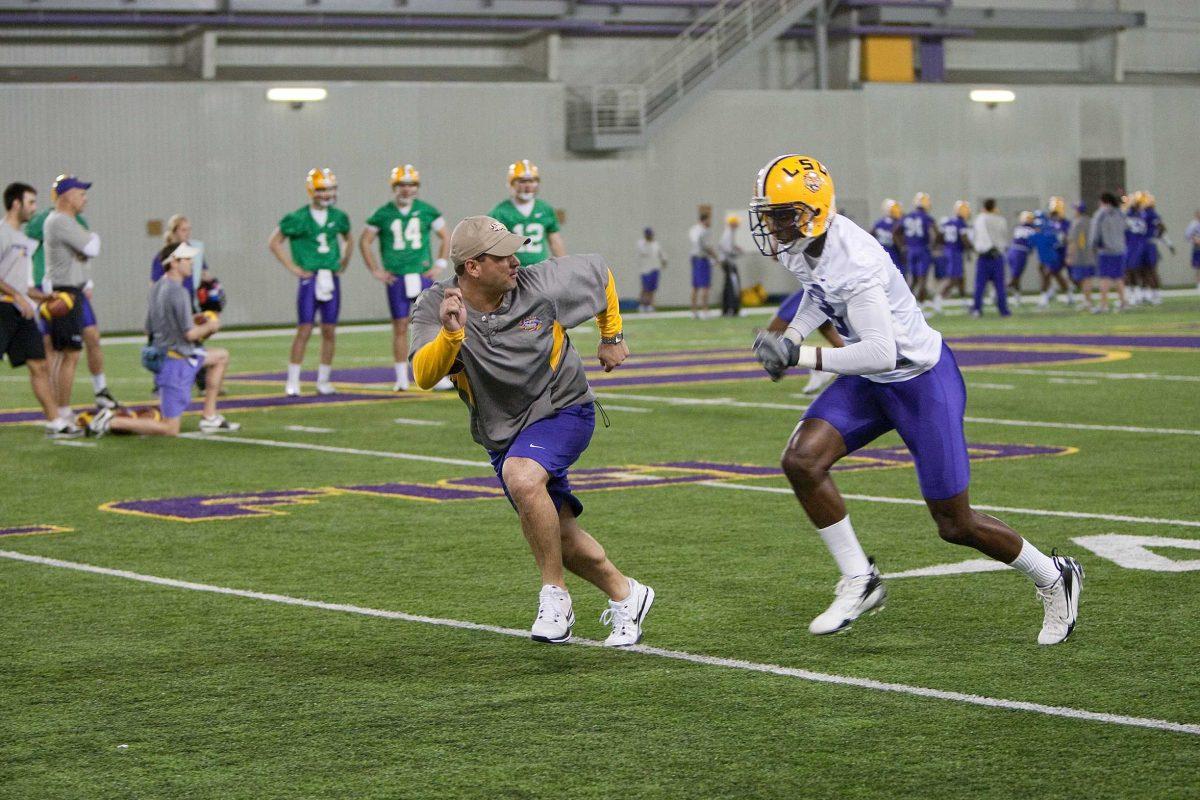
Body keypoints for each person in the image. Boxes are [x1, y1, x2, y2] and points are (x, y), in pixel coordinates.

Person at [748, 155, 1080, 644]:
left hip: (920, 381)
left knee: (954, 523)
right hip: (875, 380)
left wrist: (798, 355)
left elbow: (881, 353)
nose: (771, 224)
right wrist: (793, 332)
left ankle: (1054, 575)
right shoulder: (802, 243)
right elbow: (817, 294)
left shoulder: (854, 258)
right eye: (769, 213)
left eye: (780, 214)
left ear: (811, 211)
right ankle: (860, 579)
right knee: (801, 460)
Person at [408, 216, 653, 647]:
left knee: (522, 477)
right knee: (556, 534)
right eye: (503, 256)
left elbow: (600, 272)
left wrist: (612, 335)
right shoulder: (436, 305)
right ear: (473, 267)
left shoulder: (540, 283)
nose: (516, 261)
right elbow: (424, 376)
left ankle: (554, 596)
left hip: (565, 408)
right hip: (502, 432)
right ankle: (627, 594)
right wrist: (450, 335)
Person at [83, 243, 239, 437]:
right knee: (170, 428)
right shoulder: (178, 291)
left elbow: (148, 327)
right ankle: (110, 421)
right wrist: (210, 326)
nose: (191, 263)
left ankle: (210, 416)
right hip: (176, 362)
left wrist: (191, 321)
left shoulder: (158, 287)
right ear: (174, 262)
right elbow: (190, 335)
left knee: (221, 357)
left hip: (165, 356)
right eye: (187, 259)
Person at [359, 164, 451, 391]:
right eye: (402, 185)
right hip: (397, 278)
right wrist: (375, 270)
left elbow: (445, 236)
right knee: (400, 326)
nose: (407, 189)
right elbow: (364, 241)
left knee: (431, 324)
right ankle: (401, 377)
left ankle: (436, 374)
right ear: (394, 187)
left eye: (411, 185)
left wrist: (440, 263)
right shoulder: (382, 213)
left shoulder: (427, 210)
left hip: (421, 275)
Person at [30, 175, 118, 412]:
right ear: (67, 196)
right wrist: (93, 239)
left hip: (70, 290)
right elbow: (92, 247)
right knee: (67, 354)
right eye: (81, 194)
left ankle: (65, 408)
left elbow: (84, 253)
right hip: (65, 292)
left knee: (70, 352)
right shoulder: (60, 221)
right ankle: (61, 411)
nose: (85, 199)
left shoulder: (68, 221)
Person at [0, 182, 76, 437]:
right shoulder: (2, 233)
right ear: (16, 204)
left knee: (39, 365)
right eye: (30, 202)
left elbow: (20, 284)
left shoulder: (23, 240)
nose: (34, 208)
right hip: (3, 310)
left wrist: (44, 297)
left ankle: (55, 422)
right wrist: (18, 298)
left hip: (21, 312)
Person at [268, 168, 352, 396]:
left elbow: (348, 237)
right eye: (322, 189)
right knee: (304, 328)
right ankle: (293, 380)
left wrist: (344, 260)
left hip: (331, 277)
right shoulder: (298, 217)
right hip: (311, 278)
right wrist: (293, 268)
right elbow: (274, 241)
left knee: (329, 330)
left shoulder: (339, 216)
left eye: (330, 189)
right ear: (312, 191)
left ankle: (323, 380)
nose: (327, 194)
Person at [488, 160, 565, 267]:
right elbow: (492, 244)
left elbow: (555, 242)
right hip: (513, 269)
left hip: (540, 268)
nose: (528, 185)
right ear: (511, 183)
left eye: (532, 181)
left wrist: (564, 265)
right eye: (522, 181)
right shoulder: (500, 211)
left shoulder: (545, 209)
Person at [969, 198, 1010, 317]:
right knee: (1000, 286)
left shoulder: (980, 218)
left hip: (984, 256)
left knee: (980, 285)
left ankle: (977, 309)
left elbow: (977, 236)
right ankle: (1003, 310)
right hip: (998, 255)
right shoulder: (1001, 220)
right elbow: (1004, 235)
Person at [1089, 192, 1128, 313]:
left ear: (1103, 201)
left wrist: (1093, 245)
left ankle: (1103, 305)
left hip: (1105, 250)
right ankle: (1123, 303)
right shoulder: (1120, 213)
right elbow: (1126, 228)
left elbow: (1095, 231)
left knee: (1104, 278)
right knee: (1118, 277)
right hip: (1120, 249)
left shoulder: (1101, 214)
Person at [932, 201, 972, 314]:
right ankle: (938, 300)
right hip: (955, 253)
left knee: (960, 278)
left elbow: (939, 236)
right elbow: (964, 239)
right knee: (953, 279)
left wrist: (943, 246)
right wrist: (971, 248)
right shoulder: (960, 223)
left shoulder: (948, 222)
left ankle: (964, 301)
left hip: (950, 251)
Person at [901, 193, 935, 302]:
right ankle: (922, 305)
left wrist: (902, 246)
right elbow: (936, 233)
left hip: (910, 250)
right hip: (922, 249)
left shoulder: (908, 216)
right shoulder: (927, 218)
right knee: (922, 279)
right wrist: (934, 245)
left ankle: (905, 303)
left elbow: (896, 231)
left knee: (913, 280)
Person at [1065, 202, 1096, 311]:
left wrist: (1069, 255)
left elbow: (1073, 241)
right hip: (1090, 254)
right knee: (1087, 279)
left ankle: (1088, 302)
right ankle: (1087, 300)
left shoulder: (1077, 223)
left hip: (1080, 255)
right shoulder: (1090, 221)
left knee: (1084, 279)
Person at [688, 209, 718, 318]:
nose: (710, 222)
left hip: (694, 258)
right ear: (705, 220)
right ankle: (705, 311)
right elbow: (707, 247)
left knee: (695, 286)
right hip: (702, 259)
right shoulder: (704, 231)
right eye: (709, 220)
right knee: (705, 286)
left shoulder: (693, 229)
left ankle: (693, 311)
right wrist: (715, 257)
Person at [1006, 211, 1035, 306]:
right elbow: (1031, 244)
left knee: (1017, 276)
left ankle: (1017, 296)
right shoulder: (1031, 229)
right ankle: (1000, 291)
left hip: (1013, 250)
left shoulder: (1018, 228)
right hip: (1020, 252)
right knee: (1015, 276)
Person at [718, 214, 744, 317]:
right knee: (732, 286)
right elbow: (727, 249)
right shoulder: (728, 233)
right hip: (729, 263)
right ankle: (732, 309)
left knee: (728, 286)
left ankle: (726, 310)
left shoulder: (728, 233)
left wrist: (735, 247)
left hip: (727, 262)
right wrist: (737, 252)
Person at [635, 227, 666, 312]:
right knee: (645, 288)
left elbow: (661, 253)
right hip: (645, 269)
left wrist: (663, 260)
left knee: (652, 288)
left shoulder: (656, 244)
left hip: (655, 268)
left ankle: (650, 305)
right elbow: (643, 253)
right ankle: (642, 304)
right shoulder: (641, 244)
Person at [870, 199, 904, 270]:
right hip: (894, 255)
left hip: (881, 255)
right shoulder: (898, 224)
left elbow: (870, 236)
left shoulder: (878, 223)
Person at [1185, 210, 1200, 292]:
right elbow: (1187, 235)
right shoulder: (1193, 224)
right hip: (1197, 247)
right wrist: (1194, 240)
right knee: (1198, 266)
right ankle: (1199, 284)